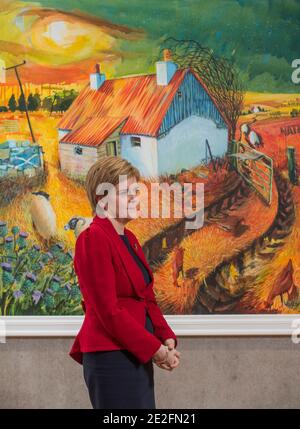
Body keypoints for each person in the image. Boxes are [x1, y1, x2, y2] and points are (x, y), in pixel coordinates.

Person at [70, 156, 181, 409]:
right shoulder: (92, 238)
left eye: (135, 191)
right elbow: (108, 311)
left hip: (136, 353)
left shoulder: (129, 238)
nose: (134, 197)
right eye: (124, 192)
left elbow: (146, 298)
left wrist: (165, 338)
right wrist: (155, 350)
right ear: (101, 200)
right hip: (111, 357)